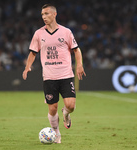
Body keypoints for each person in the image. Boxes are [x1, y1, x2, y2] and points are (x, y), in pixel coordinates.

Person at [22, 4, 86, 143]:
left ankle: (66, 114)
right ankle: (56, 133)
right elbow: (33, 52)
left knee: (70, 106)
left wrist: (79, 65)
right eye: (42, 15)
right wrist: (27, 67)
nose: (44, 17)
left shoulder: (66, 32)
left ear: (54, 14)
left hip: (66, 75)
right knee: (52, 108)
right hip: (49, 77)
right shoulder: (39, 34)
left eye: (46, 14)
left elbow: (76, 50)